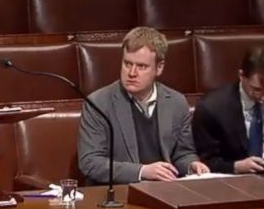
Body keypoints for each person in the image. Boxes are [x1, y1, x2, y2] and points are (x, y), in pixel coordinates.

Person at [78, 26, 209, 184]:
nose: (132, 73)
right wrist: (143, 171)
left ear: (159, 68)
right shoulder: (98, 103)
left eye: (141, 66)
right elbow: (90, 162)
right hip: (120, 193)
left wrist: (191, 166)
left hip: (165, 190)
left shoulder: (176, 102)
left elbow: (182, 154)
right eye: (127, 64)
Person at [193, 47, 264, 174]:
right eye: (257, 89)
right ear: (241, 75)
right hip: (235, 182)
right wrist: (235, 166)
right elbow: (205, 161)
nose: (263, 97)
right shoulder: (212, 109)